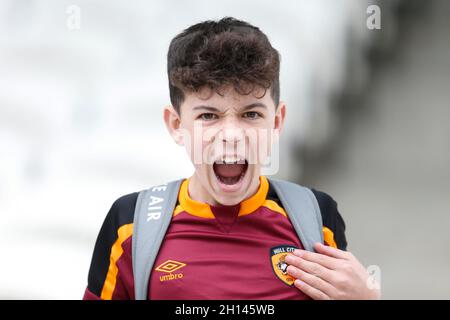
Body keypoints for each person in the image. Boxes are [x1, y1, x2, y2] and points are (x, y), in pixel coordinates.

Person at [83, 17, 380, 300]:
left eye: (251, 114)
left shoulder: (317, 217)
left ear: (276, 122)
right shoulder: (129, 224)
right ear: (176, 125)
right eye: (208, 116)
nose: (232, 134)